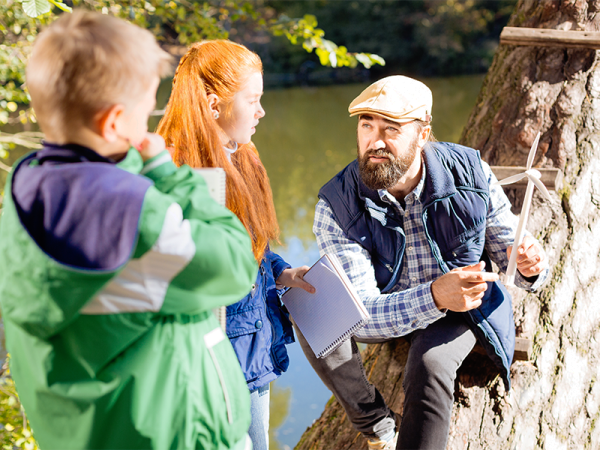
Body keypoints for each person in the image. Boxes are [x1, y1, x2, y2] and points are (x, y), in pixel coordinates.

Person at [0, 11, 258, 450]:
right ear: (116, 122)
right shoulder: (138, 218)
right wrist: (165, 171)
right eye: (145, 107)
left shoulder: (22, 193)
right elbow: (235, 265)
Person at [297, 75, 549, 450]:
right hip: (388, 306)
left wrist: (529, 266)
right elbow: (361, 310)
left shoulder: (472, 171)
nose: (375, 141)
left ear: (423, 133)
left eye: (391, 129)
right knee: (310, 303)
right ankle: (377, 423)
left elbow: (510, 253)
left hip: (462, 309)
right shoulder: (336, 204)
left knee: (429, 363)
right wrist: (433, 295)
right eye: (366, 126)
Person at [156, 40, 315, 450]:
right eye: (253, 100)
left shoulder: (239, 155)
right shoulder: (177, 177)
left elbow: (245, 248)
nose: (261, 111)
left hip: (249, 350)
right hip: (212, 366)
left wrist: (279, 270)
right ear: (214, 105)